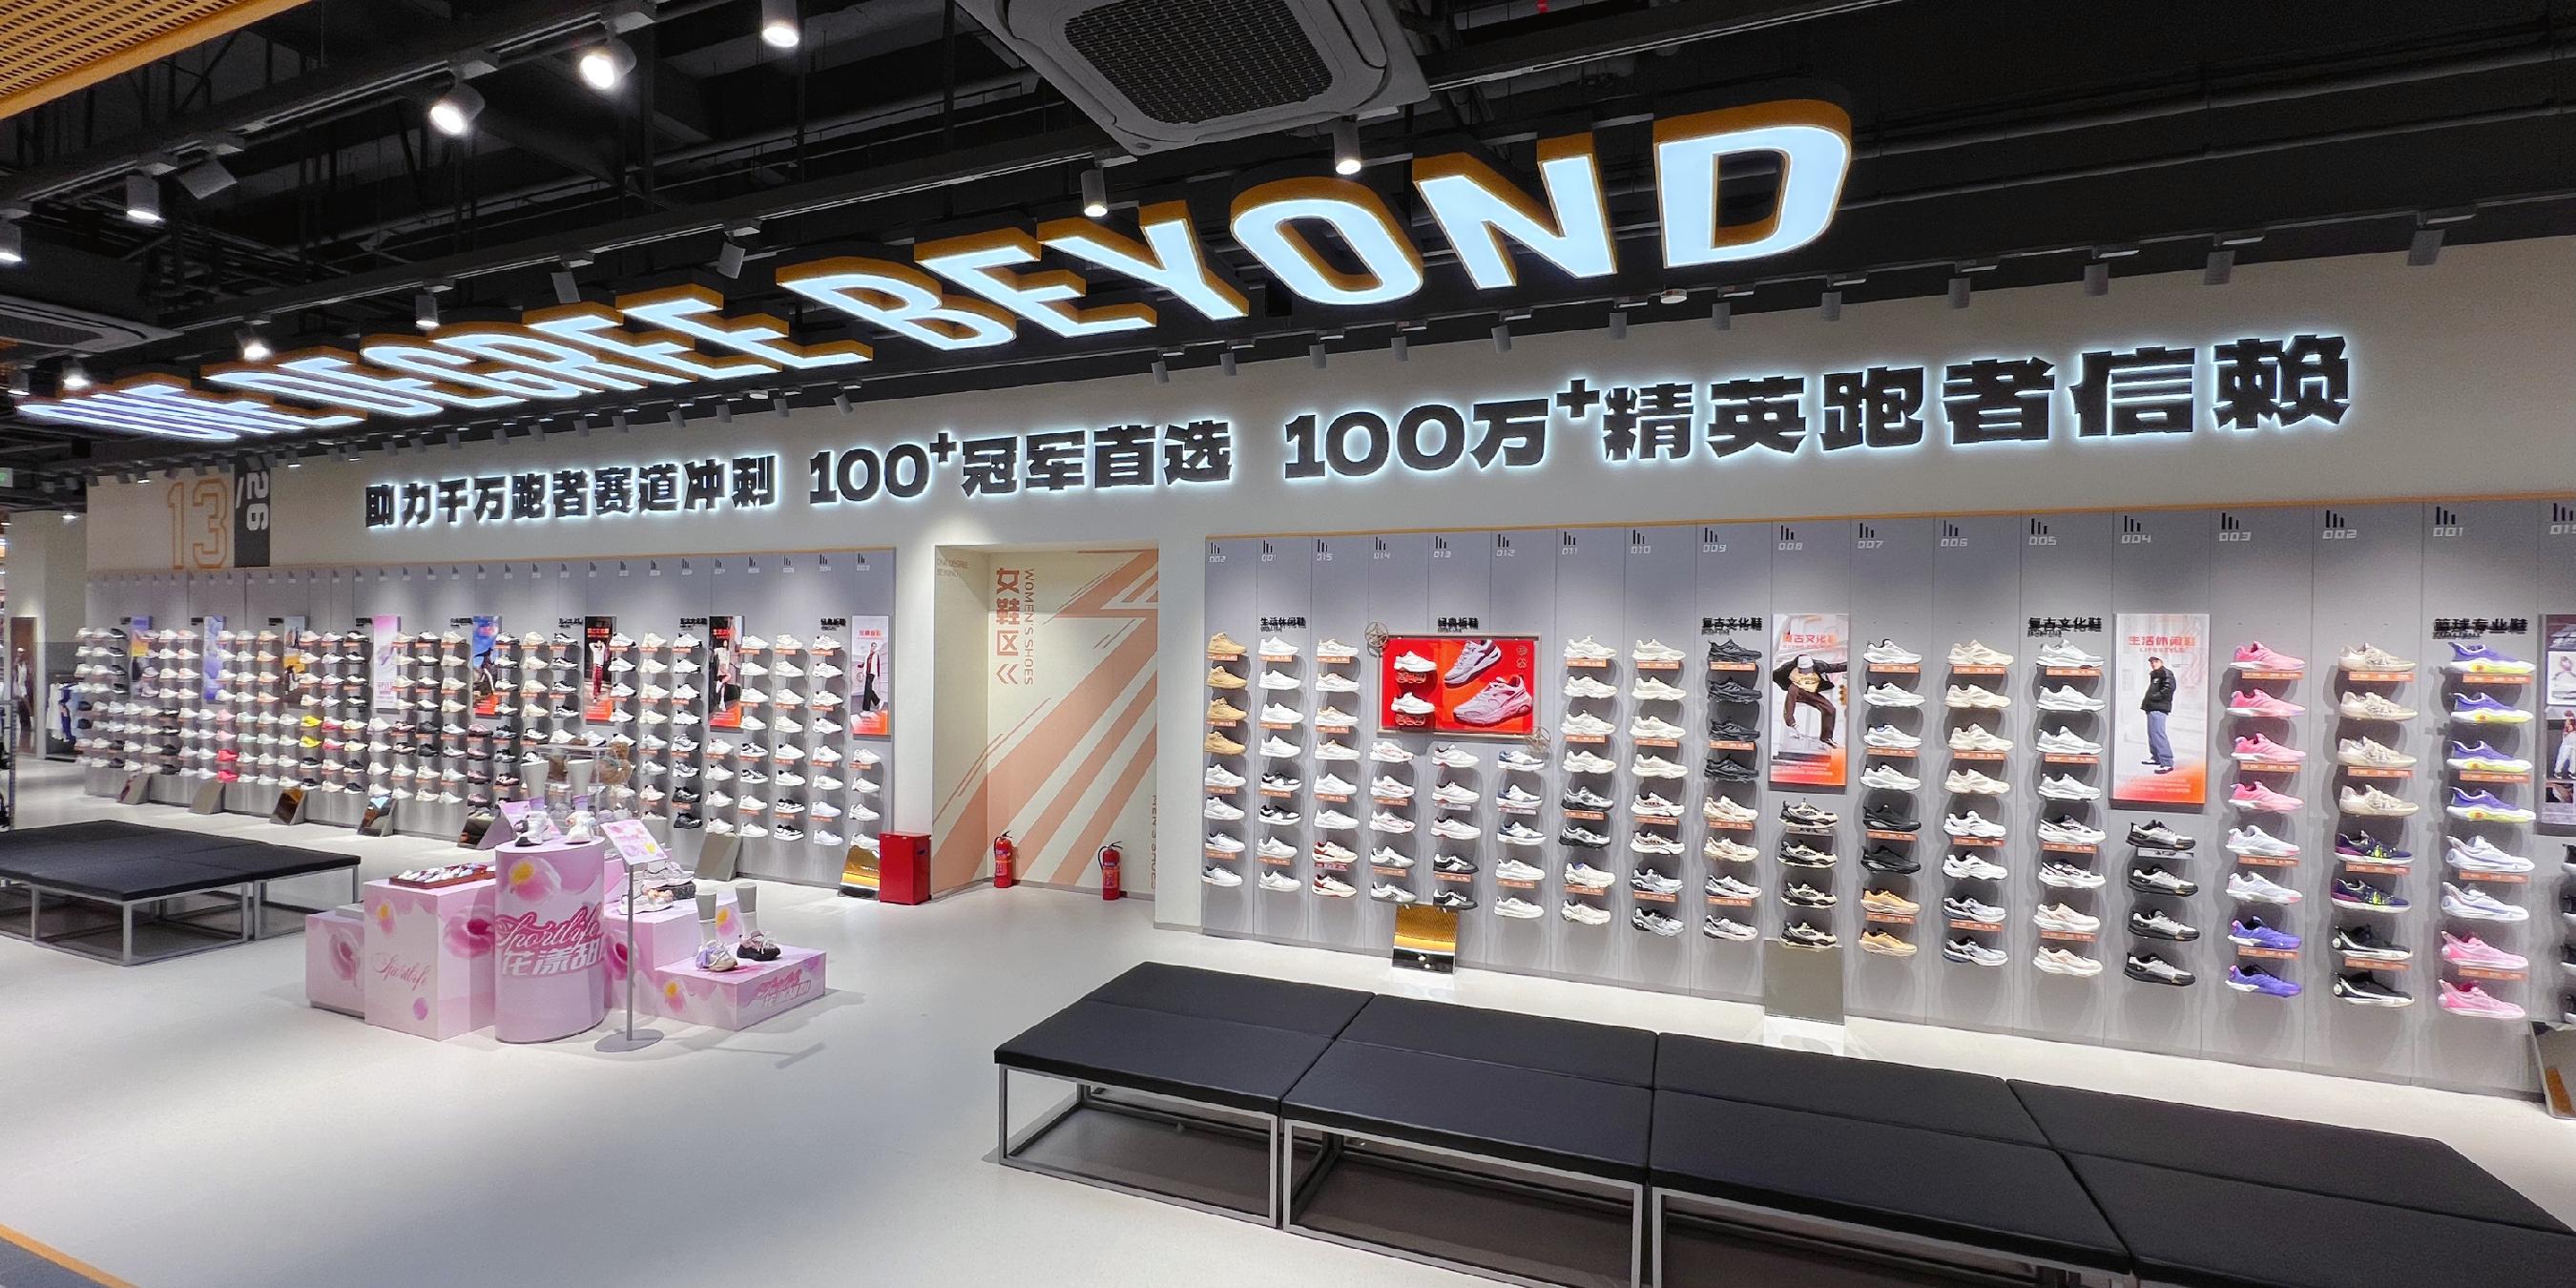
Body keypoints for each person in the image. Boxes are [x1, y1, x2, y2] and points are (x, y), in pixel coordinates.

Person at [1771, 653, 1846, 744]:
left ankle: (1826, 737)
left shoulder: (1820, 666)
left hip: (1811, 693)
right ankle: (1790, 721)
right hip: (1798, 691)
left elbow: (1836, 667)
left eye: (1808, 670)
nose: (1806, 672)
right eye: (1803, 670)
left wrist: (1851, 664)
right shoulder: (1787, 668)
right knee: (1792, 688)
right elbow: (1773, 675)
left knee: (1830, 709)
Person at [2141, 654, 2175, 774]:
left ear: (2162, 662)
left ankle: (2167, 762)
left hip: (2159, 707)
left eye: (2156, 661)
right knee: (2152, 734)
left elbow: (2169, 689)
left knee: (2158, 734)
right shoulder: (2155, 674)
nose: (2153, 664)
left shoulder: (2165, 673)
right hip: (2152, 707)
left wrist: (2154, 697)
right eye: (2151, 662)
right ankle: (2156, 757)